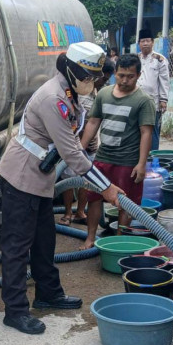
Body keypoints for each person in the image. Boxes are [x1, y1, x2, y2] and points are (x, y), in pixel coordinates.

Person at [0, 42, 123, 335]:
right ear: (72, 70)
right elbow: (73, 155)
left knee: (44, 240)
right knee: (17, 247)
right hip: (21, 177)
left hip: (39, 177)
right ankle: (14, 311)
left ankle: (48, 293)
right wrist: (107, 189)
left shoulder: (68, 93)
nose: (92, 83)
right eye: (88, 77)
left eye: (95, 78)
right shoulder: (54, 98)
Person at [80, 53, 156, 249]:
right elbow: (93, 122)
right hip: (103, 158)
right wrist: (79, 149)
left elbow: (146, 132)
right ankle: (90, 238)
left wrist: (141, 164)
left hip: (128, 161)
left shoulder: (143, 100)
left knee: (126, 203)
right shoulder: (104, 94)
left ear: (138, 75)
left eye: (130, 76)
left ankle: (120, 242)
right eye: (121, 75)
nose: (124, 80)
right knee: (94, 198)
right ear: (115, 73)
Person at [60, 59, 115, 225]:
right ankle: (68, 213)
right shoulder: (79, 91)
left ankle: (80, 212)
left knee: (86, 180)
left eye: (106, 80)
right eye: (102, 79)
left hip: (90, 146)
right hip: (74, 144)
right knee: (69, 179)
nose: (102, 82)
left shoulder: (99, 95)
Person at [136, 29, 169, 150]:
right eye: (142, 41)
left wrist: (163, 100)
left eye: (147, 41)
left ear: (152, 42)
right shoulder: (135, 59)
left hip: (153, 102)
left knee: (153, 131)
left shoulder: (160, 60)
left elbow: (164, 81)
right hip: (135, 101)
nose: (145, 43)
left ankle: (153, 158)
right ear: (139, 43)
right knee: (136, 131)